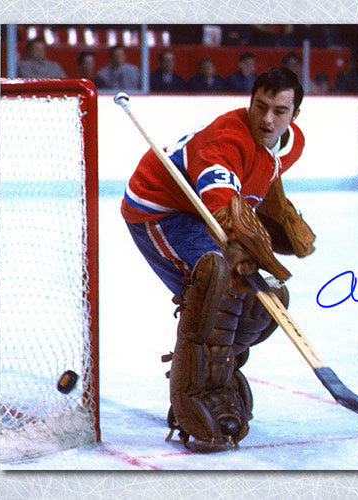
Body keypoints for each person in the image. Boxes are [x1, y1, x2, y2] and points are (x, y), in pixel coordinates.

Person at [120, 67, 315, 450]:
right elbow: (219, 191)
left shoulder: (291, 143)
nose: (267, 119)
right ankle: (191, 395)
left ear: (295, 115)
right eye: (260, 106)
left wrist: (272, 210)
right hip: (160, 211)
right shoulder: (227, 139)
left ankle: (217, 377)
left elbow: (265, 172)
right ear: (251, 100)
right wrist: (237, 236)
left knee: (263, 300)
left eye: (279, 111)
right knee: (214, 288)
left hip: (201, 218)